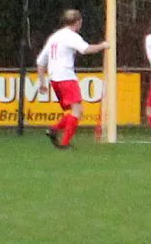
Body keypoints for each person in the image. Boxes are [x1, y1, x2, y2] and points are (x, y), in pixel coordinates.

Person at [36, 10, 109, 149]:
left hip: (54, 78)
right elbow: (85, 49)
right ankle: (63, 142)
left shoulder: (54, 37)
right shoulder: (71, 36)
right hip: (66, 77)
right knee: (77, 111)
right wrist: (103, 46)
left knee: (74, 111)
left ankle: (54, 130)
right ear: (78, 22)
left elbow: (41, 62)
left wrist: (42, 83)